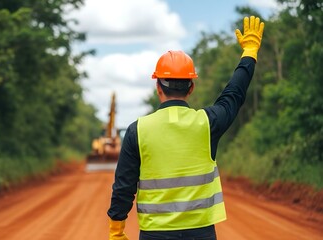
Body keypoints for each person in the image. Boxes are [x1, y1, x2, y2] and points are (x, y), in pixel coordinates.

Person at [108, 16, 265, 240]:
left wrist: (116, 231)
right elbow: (234, 95)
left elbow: (123, 186)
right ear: (191, 87)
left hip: (155, 235)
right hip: (201, 234)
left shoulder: (137, 130)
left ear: (157, 87)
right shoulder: (207, 123)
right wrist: (249, 53)